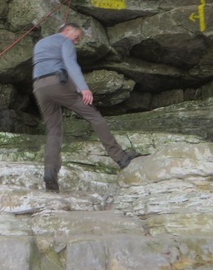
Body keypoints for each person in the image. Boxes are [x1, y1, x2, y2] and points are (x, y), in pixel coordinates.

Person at [32, 23, 138, 192]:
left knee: (53, 130)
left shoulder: (41, 43)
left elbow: (47, 66)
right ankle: (121, 158)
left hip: (39, 87)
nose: (76, 42)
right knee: (93, 116)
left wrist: (74, 87)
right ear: (67, 31)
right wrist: (83, 88)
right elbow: (70, 64)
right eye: (76, 37)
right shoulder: (64, 41)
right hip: (56, 83)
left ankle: (50, 174)